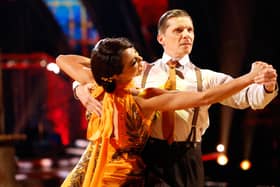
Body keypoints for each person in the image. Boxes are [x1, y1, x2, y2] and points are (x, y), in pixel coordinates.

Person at [60, 9, 278, 187]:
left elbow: (252, 99)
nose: (186, 35)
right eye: (179, 30)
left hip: (187, 156)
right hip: (148, 158)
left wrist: (266, 85)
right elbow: (203, 98)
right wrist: (79, 86)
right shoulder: (138, 77)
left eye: (190, 30)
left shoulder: (207, 77)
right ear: (161, 38)